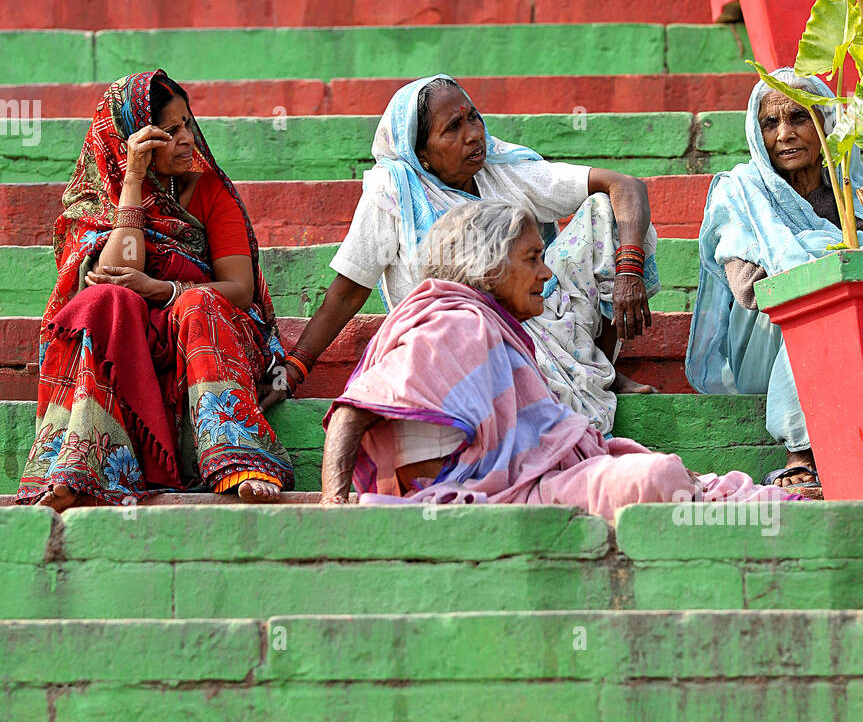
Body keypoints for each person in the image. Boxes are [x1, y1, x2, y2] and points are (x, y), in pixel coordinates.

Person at [321, 202, 787, 521]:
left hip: (521, 486)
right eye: (532, 258)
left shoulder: (484, 323)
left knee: (665, 474)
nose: (546, 274)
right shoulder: (457, 324)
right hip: (498, 495)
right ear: (488, 268)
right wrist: (333, 502)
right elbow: (351, 411)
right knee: (656, 476)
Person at [276, 74, 660, 435]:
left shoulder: (499, 166)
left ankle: (600, 368)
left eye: (472, 117)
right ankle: (580, 381)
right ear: (420, 152)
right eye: (452, 129)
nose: (474, 135)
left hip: (545, 317)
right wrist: (294, 370)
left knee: (607, 212)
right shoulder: (392, 192)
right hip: (464, 341)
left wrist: (629, 270)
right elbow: (347, 291)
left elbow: (623, 186)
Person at [17, 70, 294, 510]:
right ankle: (85, 465)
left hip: (209, 336)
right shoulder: (98, 199)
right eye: (169, 131)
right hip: (134, 343)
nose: (187, 139)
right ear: (132, 142)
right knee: (101, 302)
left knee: (198, 300)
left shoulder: (210, 190)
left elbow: (240, 291)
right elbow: (115, 274)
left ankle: (240, 458)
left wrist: (165, 290)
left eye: (187, 123)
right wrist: (132, 183)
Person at [686, 68, 863, 494]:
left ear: (824, 122)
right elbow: (748, 290)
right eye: (770, 123)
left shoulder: (853, 191)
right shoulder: (741, 191)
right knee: (811, 284)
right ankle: (799, 455)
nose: (784, 134)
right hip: (766, 344)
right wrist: (820, 259)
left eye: (799, 118)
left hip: (848, 340)